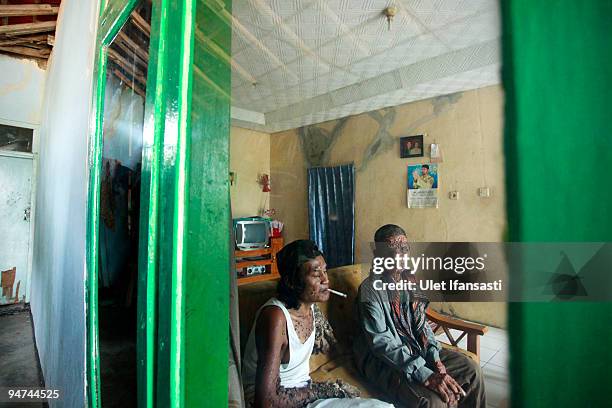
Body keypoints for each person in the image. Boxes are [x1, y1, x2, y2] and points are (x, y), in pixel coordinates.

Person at [242, 240, 394, 408]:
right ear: (292, 281)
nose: (325, 279)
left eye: (325, 270)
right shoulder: (275, 317)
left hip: (304, 397)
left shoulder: (310, 307)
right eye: (316, 274)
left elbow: (333, 345)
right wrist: (321, 391)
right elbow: (266, 402)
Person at [353, 225, 486, 408]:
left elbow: (422, 325)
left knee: (472, 371)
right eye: (391, 249)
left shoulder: (411, 282)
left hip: (417, 349)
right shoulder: (369, 290)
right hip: (385, 362)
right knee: (434, 402)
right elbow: (382, 343)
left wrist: (435, 359)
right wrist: (425, 373)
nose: (399, 255)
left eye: (404, 248)